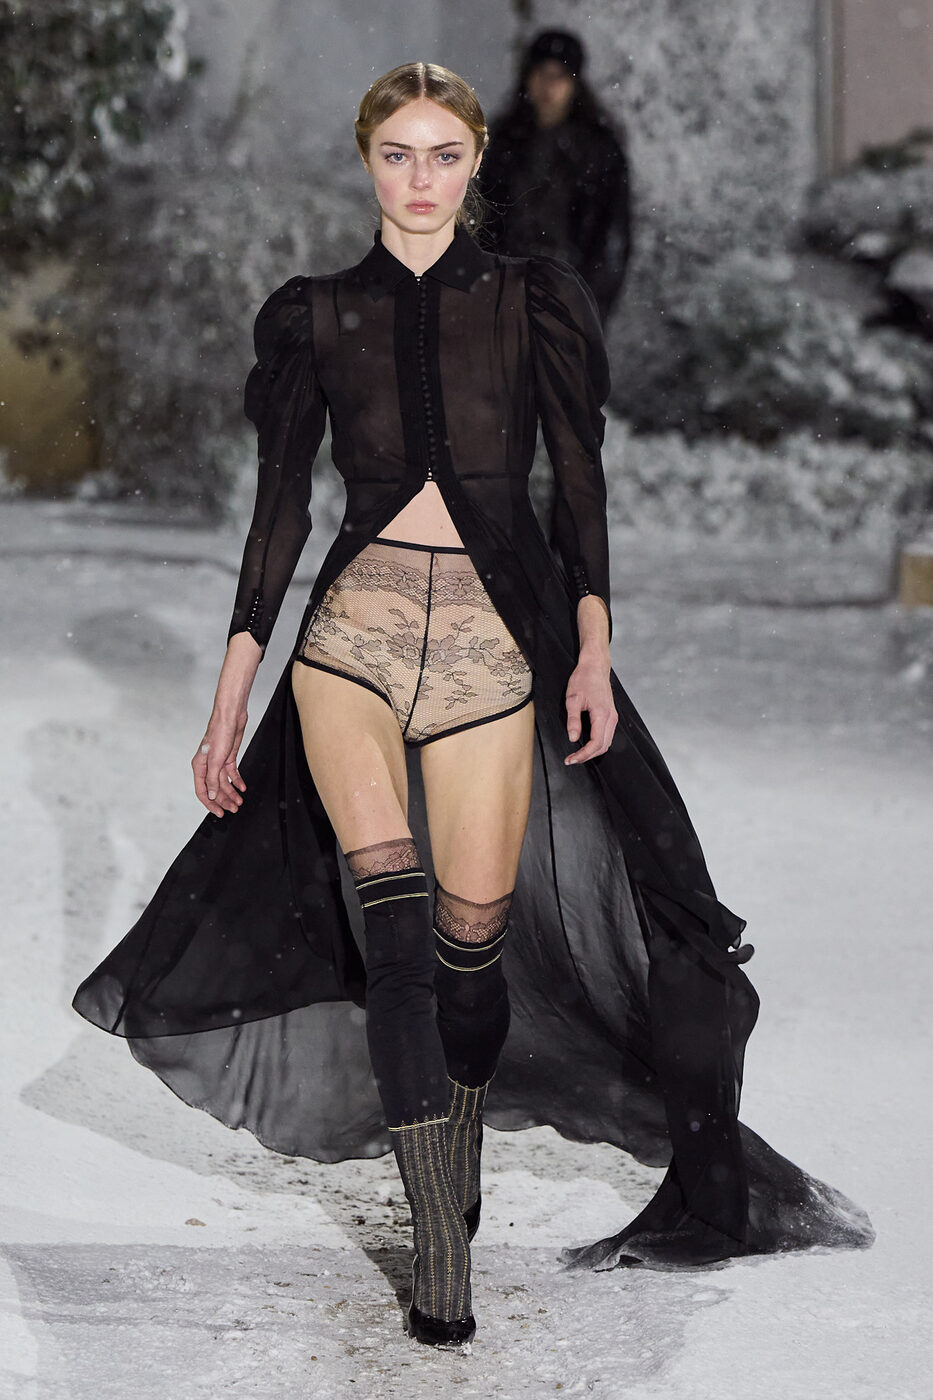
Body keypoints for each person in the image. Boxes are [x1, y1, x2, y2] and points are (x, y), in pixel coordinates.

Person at [73, 62, 872, 1355]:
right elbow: (278, 519)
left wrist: (593, 647)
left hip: (494, 652)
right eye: (398, 153)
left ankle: (457, 1156)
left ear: (477, 161)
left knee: (467, 962)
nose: (421, 177)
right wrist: (228, 705)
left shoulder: (528, 301)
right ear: (367, 161)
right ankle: (439, 1247)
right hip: (351, 643)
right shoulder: (315, 315)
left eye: (444, 154)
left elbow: (579, 485)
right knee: (394, 947)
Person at [481, 30, 631, 324]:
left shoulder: (599, 150)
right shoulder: (506, 141)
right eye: (541, 73)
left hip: (570, 296)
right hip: (506, 296)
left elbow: (612, 237)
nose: (548, 85)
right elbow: (485, 219)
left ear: (574, 83)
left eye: (559, 76)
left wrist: (588, 309)